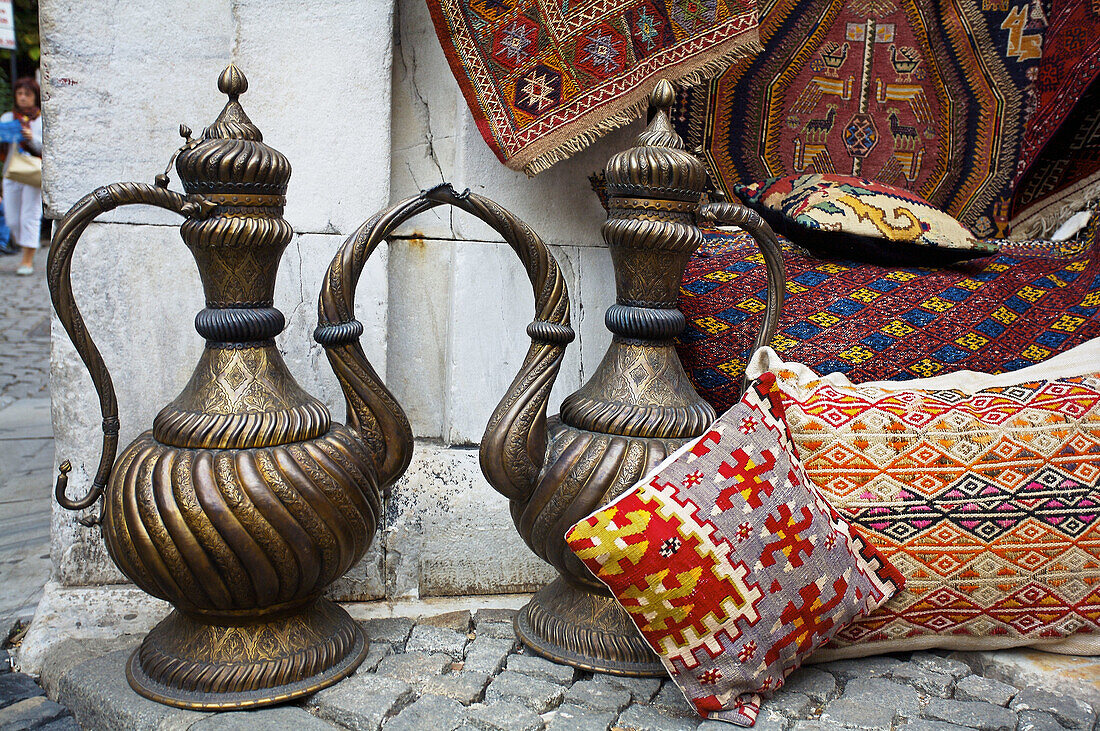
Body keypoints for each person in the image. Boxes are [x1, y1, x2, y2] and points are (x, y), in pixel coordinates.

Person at [2, 77, 41, 274]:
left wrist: (31, 138)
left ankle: (27, 259)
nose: (23, 98)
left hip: (33, 172)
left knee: (29, 215)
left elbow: (49, 148)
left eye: (28, 94)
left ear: (35, 97)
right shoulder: (8, 118)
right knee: (12, 219)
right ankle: (23, 246)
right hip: (11, 171)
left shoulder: (41, 120)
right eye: (20, 94)